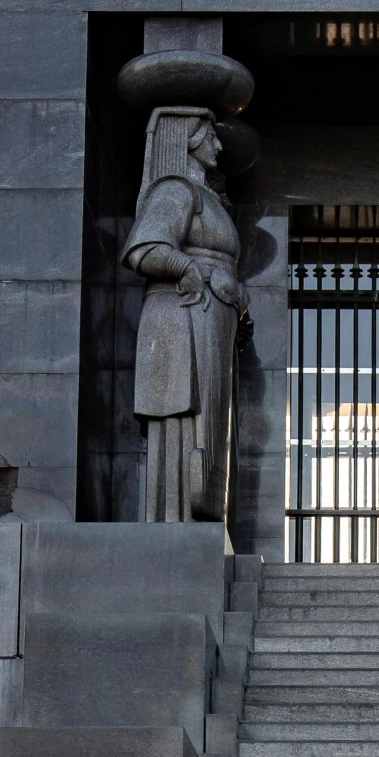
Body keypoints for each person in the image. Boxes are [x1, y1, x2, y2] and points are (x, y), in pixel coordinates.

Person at [122, 105, 247, 522]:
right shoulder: (176, 190)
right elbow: (145, 249)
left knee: (208, 431)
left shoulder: (210, 198)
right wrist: (186, 268)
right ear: (188, 141)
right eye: (209, 136)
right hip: (185, 318)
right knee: (183, 424)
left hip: (212, 319)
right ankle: (175, 520)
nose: (218, 144)